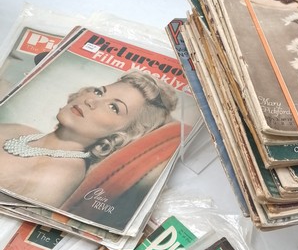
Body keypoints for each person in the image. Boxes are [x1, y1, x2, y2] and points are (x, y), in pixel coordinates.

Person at [0, 70, 178, 208]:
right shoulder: (23, 130)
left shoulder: (60, 176)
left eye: (113, 107)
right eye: (100, 92)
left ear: (120, 135)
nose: (91, 101)